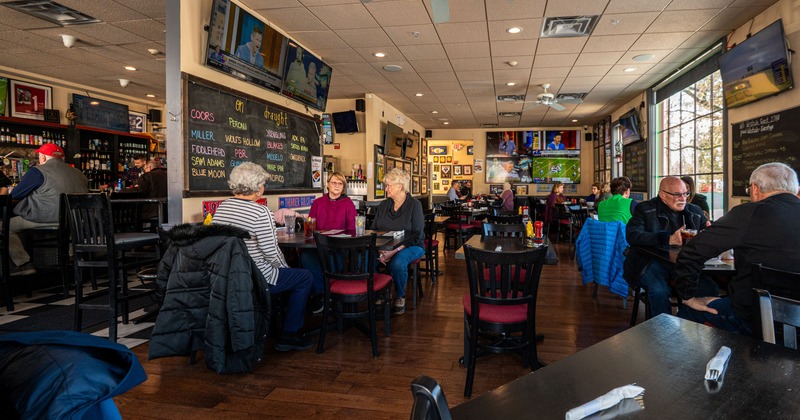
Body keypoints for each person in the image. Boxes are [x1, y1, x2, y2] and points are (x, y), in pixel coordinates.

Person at [675, 162, 800, 335]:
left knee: (692, 309)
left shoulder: (749, 213)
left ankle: (715, 362)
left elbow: (691, 252)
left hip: (756, 319)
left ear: (755, 189)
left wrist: (687, 296)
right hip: (795, 323)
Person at [211, 162, 314, 352]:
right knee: (304, 277)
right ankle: (289, 335)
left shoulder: (222, 208)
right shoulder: (261, 212)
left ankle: (272, 322)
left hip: (228, 276)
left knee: (293, 275)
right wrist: (286, 269)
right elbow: (272, 253)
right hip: (257, 278)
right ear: (258, 188)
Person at [625, 176, 718, 317]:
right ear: (662, 195)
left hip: (683, 263)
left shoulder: (695, 211)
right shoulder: (645, 209)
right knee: (659, 290)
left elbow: (707, 230)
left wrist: (709, 233)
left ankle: (688, 322)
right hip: (649, 262)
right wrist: (667, 239)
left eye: (685, 193)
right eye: (677, 194)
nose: (683, 198)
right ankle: (663, 333)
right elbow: (632, 235)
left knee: (709, 288)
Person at [9, 143, 88, 274]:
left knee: (4, 227)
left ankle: (24, 264)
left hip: (47, 218)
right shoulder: (78, 173)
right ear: (62, 158)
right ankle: (72, 256)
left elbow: (15, 195)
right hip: (75, 221)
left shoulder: (37, 171)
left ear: (44, 158)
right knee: (69, 229)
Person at [299, 172, 357, 313]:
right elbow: (311, 225)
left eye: (340, 183)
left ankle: (327, 296)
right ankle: (322, 295)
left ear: (343, 187)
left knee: (330, 262)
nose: (336, 186)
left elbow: (353, 230)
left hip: (339, 248)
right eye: (334, 182)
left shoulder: (348, 203)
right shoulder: (318, 202)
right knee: (305, 256)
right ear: (328, 184)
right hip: (319, 246)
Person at [370, 169, 425, 315]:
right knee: (367, 259)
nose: (385, 189)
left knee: (398, 262)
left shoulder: (415, 205)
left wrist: (393, 251)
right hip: (384, 247)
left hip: (412, 245)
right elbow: (373, 230)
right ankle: (381, 292)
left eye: (388, 185)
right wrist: (380, 250)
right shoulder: (383, 205)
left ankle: (400, 296)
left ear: (400, 186)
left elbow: (417, 235)